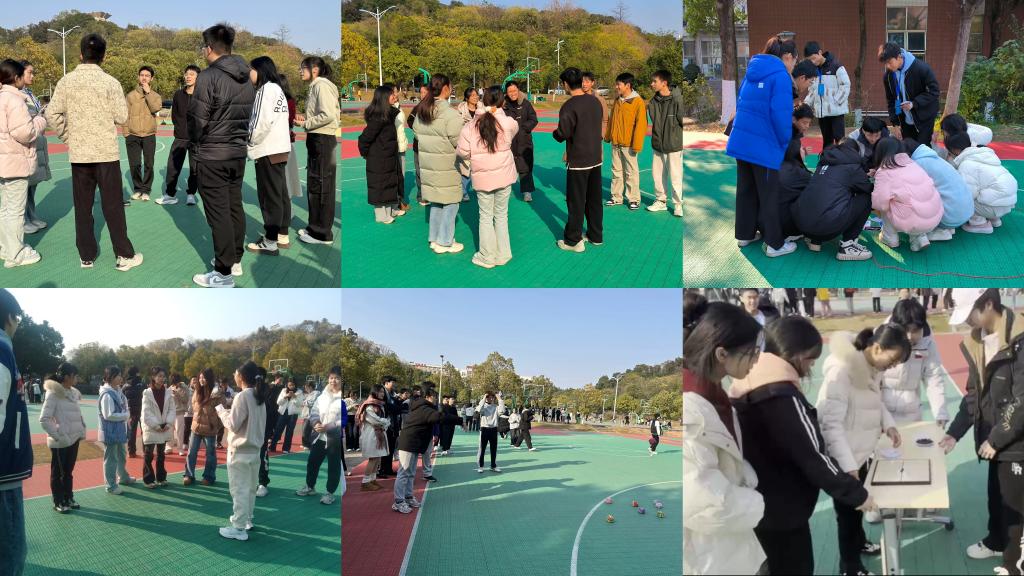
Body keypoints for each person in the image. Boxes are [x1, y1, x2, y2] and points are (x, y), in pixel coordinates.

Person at [731, 315, 874, 575]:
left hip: (756, 501)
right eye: (811, 359)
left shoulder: (745, 384)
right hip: (784, 508)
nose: (811, 366)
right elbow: (813, 455)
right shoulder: (782, 396)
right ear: (796, 356)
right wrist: (856, 493)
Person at [940, 289, 1024, 571]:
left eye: (970, 314)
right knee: (996, 495)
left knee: (1015, 509)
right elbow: (975, 395)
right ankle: (996, 542)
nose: (967, 322)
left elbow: (1022, 399)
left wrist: (997, 438)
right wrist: (954, 432)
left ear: (989, 304)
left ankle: (1014, 566)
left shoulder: (1020, 340)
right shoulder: (978, 341)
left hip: (1017, 440)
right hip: (995, 437)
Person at [682, 295, 766, 575]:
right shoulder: (689, 410)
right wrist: (760, 504)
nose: (756, 360)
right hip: (706, 556)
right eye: (751, 352)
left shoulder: (713, 392)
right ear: (721, 354)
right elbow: (702, 502)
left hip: (728, 543)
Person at [817, 324, 910, 576]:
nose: (892, 366)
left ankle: (860, 543)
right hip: (844, 460)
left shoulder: (872, 368)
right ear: (877, 348)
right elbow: (830, 425)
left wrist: (889, 425)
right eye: (892, 360)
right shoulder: (842, 371)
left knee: (858, 509)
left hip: (862, 454)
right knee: (847, 517)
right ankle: (849, 567)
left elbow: (875, 402)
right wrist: (848, 467)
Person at [45, 34, 142, 271]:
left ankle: (86, 255)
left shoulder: (66, 81)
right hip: (106, 154)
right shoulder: (111, 82)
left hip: (80, 155)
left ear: (80, 55)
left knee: (83, 206)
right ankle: (123, 255)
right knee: (113, 206)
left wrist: (68, 137)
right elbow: (122, 116)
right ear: (104, 56)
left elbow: (51, 114)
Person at [189, 24, 256, 287]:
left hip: (213, 154)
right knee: (233, 206)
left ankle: (223, 272)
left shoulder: (208, 76)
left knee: (218, 213)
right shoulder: (246, 76)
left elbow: (198, 119)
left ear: (209, 48)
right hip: (237, 152)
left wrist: (195, 142)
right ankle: (234, 259)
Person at [726, 35, 800, 257]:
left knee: (746, 190)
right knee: (769, 195)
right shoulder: (780, 76)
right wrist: (784, 141)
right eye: (795, 61)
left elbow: (741, 104)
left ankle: (745, 234)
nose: (794, 66)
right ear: (788, 57)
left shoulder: (752, 71)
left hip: (742, 140)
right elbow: (781, 115)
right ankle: (775, 244)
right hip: (764, 145)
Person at [457, 85, 518, 268]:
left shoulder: (471, 126)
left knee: (485, 216)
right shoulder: (508, 122)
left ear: (483, 100)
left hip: (483, 177)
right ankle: (503, 253)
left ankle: (487, 256)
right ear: (502, 101)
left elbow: (462, 152)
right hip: (504, 175)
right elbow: (513, 131)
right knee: (501, 215)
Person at [791, 138, 874, 260]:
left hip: (802, 225)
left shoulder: (822, 163)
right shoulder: (852, 167)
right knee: (866, 198)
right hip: (826, 228)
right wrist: (867, 177)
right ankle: (848, 245)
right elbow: (868, 188)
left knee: (824, 196)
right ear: (855, 153)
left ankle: (815, 241)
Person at [241, 56, 291, 257]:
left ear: (260, 70)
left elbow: (260, 123)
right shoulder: (277, 89)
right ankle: (282, 234)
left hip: (267, 149)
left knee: (269, 197)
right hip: (279, 148)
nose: (249, 73)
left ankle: (270, 241)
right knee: (279, 194)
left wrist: (249, 142)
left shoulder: (265, 90)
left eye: (251, 69)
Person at [0, 59, 46, 268]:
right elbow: (25, 132)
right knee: (15, 211)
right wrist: (40, 120)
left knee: (5, 209)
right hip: (15, 162)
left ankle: (6, 248)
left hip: (4, 161)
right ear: (17, 77)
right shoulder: (14, 100)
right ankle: (16, 254)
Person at [553, 67, 604, 253]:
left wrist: (556, 134)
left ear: (566, 84)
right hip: (595, 157)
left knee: (576, 202)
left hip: (578, 160)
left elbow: (563, 132)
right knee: (594, 199)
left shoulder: (569, 106)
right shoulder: (595, 101)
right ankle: (595, 235)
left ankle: (573, 240)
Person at [413, 74, 465, 254]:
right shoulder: (450, 114)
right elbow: (459, 142)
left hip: (429, 163)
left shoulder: (422, 111)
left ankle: (435, 238)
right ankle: (445, 241)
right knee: (451, 202)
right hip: (447, 164)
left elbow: (417, 134)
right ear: (445, 88)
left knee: (436, 201)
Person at [215, 361, 268, 541]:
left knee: (239, 490)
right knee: (250, 489)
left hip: (240, 451)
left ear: (242, 376)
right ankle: (247, 520)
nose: (234, 376)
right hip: (254, 451)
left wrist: (221, 411)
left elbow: (233, 425)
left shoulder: (243, 396)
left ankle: (238, 527)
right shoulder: (259, 395)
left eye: (236, 373)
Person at [392, 386, 461, 513]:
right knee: (404, 472)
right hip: (408, 443)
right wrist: (460, 420)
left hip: (414, 444)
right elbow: (441, 417)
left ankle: (408, 497)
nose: (436, 399)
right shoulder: (424, 408)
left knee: (411, 473)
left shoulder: (424, 407)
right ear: (428, 397)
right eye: (435, 397)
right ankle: (398, 501)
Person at [295, 56, 340, 246]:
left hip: (322, 139)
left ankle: (322, 233)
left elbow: (328, 115)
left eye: (302, 68)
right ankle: (314, 227)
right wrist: (305, 119)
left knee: (321, 186)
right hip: (318, 138)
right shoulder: (316, 86)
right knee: (316, 184)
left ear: (314, 69)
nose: (300, 71)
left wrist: (306, 123)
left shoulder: (321, 85)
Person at [870, 136, 943, 252]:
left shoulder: (884, 172)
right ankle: (919, 237)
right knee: (912, 201)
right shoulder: (913, 164)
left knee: (886, 205)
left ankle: (889, 238)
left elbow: (879, 204)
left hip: (913, 222)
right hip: (935, 217)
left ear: (880, 153)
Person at [0, 290, 29, 575]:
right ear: (9, 317)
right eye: (18, 317)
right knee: (10, 557)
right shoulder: (1, 350)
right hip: (3, 473)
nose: (18, 324)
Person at [945, 132, 1018, 235]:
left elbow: (968, 194)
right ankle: (994, 219)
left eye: (949, 152)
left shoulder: (966, 164)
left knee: (963, 199)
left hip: (995, 206)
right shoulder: (984, 155)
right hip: (1009, 203)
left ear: (954, 150)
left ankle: (979, 223)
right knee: (987, 189)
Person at [901, 139, 972, 241]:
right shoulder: (932, 157)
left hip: (951, 217)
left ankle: (940, 230)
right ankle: (947, 226)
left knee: (913, 199)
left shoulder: (918, 164)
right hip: (966, 212)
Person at [39, 363, 86, 514]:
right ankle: (58, 501)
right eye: (75, 376)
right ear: (66, 377)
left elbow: (76, 415)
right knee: (58, 473)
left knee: (68, 471)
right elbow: (44, 419)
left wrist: (81, 428)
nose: (77, 378)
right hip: (61, 441)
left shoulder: (72, 393)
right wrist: (58, 436)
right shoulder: (53, 393)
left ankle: (68, 497)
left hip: (74, 438)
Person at [296, 366, 343, 505]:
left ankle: (330, 493)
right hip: (319, 437)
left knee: (333, 466)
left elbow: (343, 420)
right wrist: (316, 423)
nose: (333, 381)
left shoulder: (342, 398)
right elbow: (314, 412)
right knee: (312, 462)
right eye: (331, 378)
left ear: (342, 380)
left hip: (335, 438)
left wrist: (328, 426)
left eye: (337, 378)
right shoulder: (322, 396)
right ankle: (310, 487)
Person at [880, 41, 940, 146]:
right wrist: (895, 124)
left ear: (899, 56)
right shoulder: (888, 76)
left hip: (924, 119)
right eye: (885, 63)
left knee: (922, 149)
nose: (888, 66)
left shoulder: (921, 68)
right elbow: (892, 100)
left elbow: (934, 92)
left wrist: (914, 103)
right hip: (905, 120)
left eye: (889, 62)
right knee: (908, 148)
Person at [358, 85, 404, 224]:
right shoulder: (378, 118)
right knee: (380, 186)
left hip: (389, 156)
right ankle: (381, 216)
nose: (394, 96)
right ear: (384, 98)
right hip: (379, 158)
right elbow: (365, 138)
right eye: (391, 94)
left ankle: (391, 210)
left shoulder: (388, 114)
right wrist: (366, 153)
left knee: (390, 183)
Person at [158, 65, 200, 206]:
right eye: (186, 74)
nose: (188, 76)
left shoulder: (202, 95)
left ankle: (191, 194)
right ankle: (170, 194)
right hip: (180, 137)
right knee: (172, 167)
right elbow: (175, 115)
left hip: (196, 139)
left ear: (198, 77)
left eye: (192, 74)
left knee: (195, 169)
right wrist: (180, 129)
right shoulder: (178, 95)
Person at [604, 72, 647, 211]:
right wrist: (608, 136)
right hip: (616, 143)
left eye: (619, 84)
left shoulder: (637, 102)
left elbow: (641, 125)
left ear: (628, 85)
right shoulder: (618, 100)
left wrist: (637, 145)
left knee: (631, 173)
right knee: (616, 171)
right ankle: (616, 197)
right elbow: (612, 119)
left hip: (629, 145)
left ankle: (633, 199)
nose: (616, 87)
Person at [18, 60, 51, 234]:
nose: (32, 76)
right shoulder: (15, 94)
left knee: (32, 184)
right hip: (25, 145)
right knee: (22, 187)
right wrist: (39, 117)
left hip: (37, 142)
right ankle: (23, 221)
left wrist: (42, 114)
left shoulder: (30, 93)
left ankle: (31, 216)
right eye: (29, 72)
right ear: (19, 74)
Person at [647, 70, 684, 216]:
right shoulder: (652, 102)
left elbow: (682, 122)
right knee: (657, 175)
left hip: (673, 145)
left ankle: (678, 205)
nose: (651, 84)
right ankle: (660, 201)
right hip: (658, 145)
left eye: (654, 81)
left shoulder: (678, 100)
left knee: (675, 176)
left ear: (664, 83)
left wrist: (676, 137)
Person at [123, 65, 162, 202]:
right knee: (134, 165)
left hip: (149, 135)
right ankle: (138, 189)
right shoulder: (130, 96)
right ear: (138, 77)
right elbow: (125, 115)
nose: (144, 78)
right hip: (132, 135)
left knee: (149, 164)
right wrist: (126, 132)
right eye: (142, 75)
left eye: (147, 75)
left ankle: (146, 190)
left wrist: (148, 93)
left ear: (152, 78)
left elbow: (156, 108)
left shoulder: (156, 96)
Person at [803, 41, 851, 148]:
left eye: (813, 58)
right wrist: (805, 105)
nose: (812, 62)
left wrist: (836, 101)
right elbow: (812, 90)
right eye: (809, 60)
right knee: (826, 142)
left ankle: (842, 158)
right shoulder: (813, 70)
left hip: (836, 112)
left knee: (840, 140)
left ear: (820, 53)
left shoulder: (836, 66)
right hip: (822, 113)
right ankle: (826, 158)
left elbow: (846, 85)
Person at [97, 366, 134, 495]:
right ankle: (111, 485)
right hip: (110, 432)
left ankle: (123, 477)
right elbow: (108, 415)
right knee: (111, 458)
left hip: (119, 430)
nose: (121, 377)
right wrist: (125, 415)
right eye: (118, 375)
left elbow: (124, 407)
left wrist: (126, 415)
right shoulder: (107, 394)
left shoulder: (118, 391)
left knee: (121, 454)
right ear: (110, 377)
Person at [502, 81, 538, 202]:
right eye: (510, 91)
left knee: (525, 166)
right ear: (506, 93)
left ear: (518, 90)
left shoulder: (526, 104)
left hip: (524, 141)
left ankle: (527, 191)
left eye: (515, 90)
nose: (513, 93)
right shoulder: (503, 105)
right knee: (506, 166)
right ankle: (504, 190)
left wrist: (524, 128)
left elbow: (533, 119)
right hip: (508, 141)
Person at [185, 368, 221, 486]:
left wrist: (215, 425)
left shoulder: (217, 393)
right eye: (200, 377)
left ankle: (209, 476)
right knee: (191, 452)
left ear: (209, 378)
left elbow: (222, 411)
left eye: (203, 377)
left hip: (210, 429)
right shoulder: (197, 391)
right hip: (196, 427)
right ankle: (189, 475)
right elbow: (193, 407)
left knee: (210, 454)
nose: (201, 380)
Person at [141, 367, 175, 488]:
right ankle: (148, 479)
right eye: (159, 376)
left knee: (161, 454)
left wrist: (168, 423)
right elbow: (146, 412)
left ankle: (161, 478)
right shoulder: (147, 393)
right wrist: (156, 426)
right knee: (148, 454)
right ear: (153, 377)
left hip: (164, 427)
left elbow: (172, 409)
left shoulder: (168, 392)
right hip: (151, 427)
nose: (162, 378)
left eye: (163, 376)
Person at [357, 384, 390, 492]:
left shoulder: (379, 405)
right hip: (371, 435)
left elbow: (382, 421)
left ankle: (372, 480)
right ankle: (365, 482)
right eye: (380, 391)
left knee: (377, 458)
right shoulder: (369, 406)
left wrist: (384, 422)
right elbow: (375, 420)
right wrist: (386, 422)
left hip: (379, 434)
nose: (382, 394)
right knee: (373, 458)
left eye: (383, 392)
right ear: (374, 392)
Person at [279, 74, 300, 246]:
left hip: (282, 143)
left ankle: (286, 213)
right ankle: (289, 211)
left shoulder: (284, 101)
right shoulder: (290, 100)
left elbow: (287, 120)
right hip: (287, 142)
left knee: (284, 180)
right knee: (287, 179)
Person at [778, 138, 811, 241]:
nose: (804, 150)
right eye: (801, 148)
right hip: (786, 227)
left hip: (765, 223)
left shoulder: (772, 167)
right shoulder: (799, 173)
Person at [257, 370, 283, 496]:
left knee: (262, 456)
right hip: (249, 431)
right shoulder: (246, 392)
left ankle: (263, 483)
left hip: (263, 430)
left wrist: (269, 431)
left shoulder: (269, 390)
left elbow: (273, 410)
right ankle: (250, 482)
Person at [456, 87, 480, 202]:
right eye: (473, 95)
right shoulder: (460, 111)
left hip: (479, 143)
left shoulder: (482, 108)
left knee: (479, 167)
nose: (476, 97)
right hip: (466, 142)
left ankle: (480, 189)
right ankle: (464, 192)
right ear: (467, 98)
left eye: (476, 95)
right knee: (465, 168)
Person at [272, 377, 304, 453]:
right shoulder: (283, 390)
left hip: (293, 414)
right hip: (283, 413)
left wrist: (294, 397)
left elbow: (300, 404)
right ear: (287, 385)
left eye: (293, 385)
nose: (291, 387)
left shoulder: (299, 392)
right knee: (278, 430)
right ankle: (272, 446)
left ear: (295, 385)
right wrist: (285, 396)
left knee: (289, 431)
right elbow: (278, 402)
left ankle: (286, 448)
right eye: (289, 385)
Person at [476, 391, 505, 473]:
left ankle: (493, 466)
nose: (491, 399)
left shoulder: (495, 407)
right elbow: (479, 410)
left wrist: (499, 399)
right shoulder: (483, 406)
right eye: (488, 397)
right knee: (482, 449)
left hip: (493, 429)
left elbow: (502, 411)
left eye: (492, 397)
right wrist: (484, 397)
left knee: (493, 449)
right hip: (484, 429)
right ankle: (481, 466)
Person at [124, 367, 144, 458]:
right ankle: (146, 450)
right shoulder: (142, 384)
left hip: (131, 411)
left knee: (132, 432)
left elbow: (123, 399)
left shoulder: (125, 386)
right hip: (142, 410)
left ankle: (131, 452)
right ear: (136, 373)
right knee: (145, 431)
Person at [167, 379, 189, 456]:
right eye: (173, 383)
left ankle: (180, 449)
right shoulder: (169, 389)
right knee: (169, 431)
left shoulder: (183, 388)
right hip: (170, 413)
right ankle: (169, 447)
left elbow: (185, 400)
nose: (175, 385)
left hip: (179, 412)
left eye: (176, 383)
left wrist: (177, 394)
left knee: (180, 432)